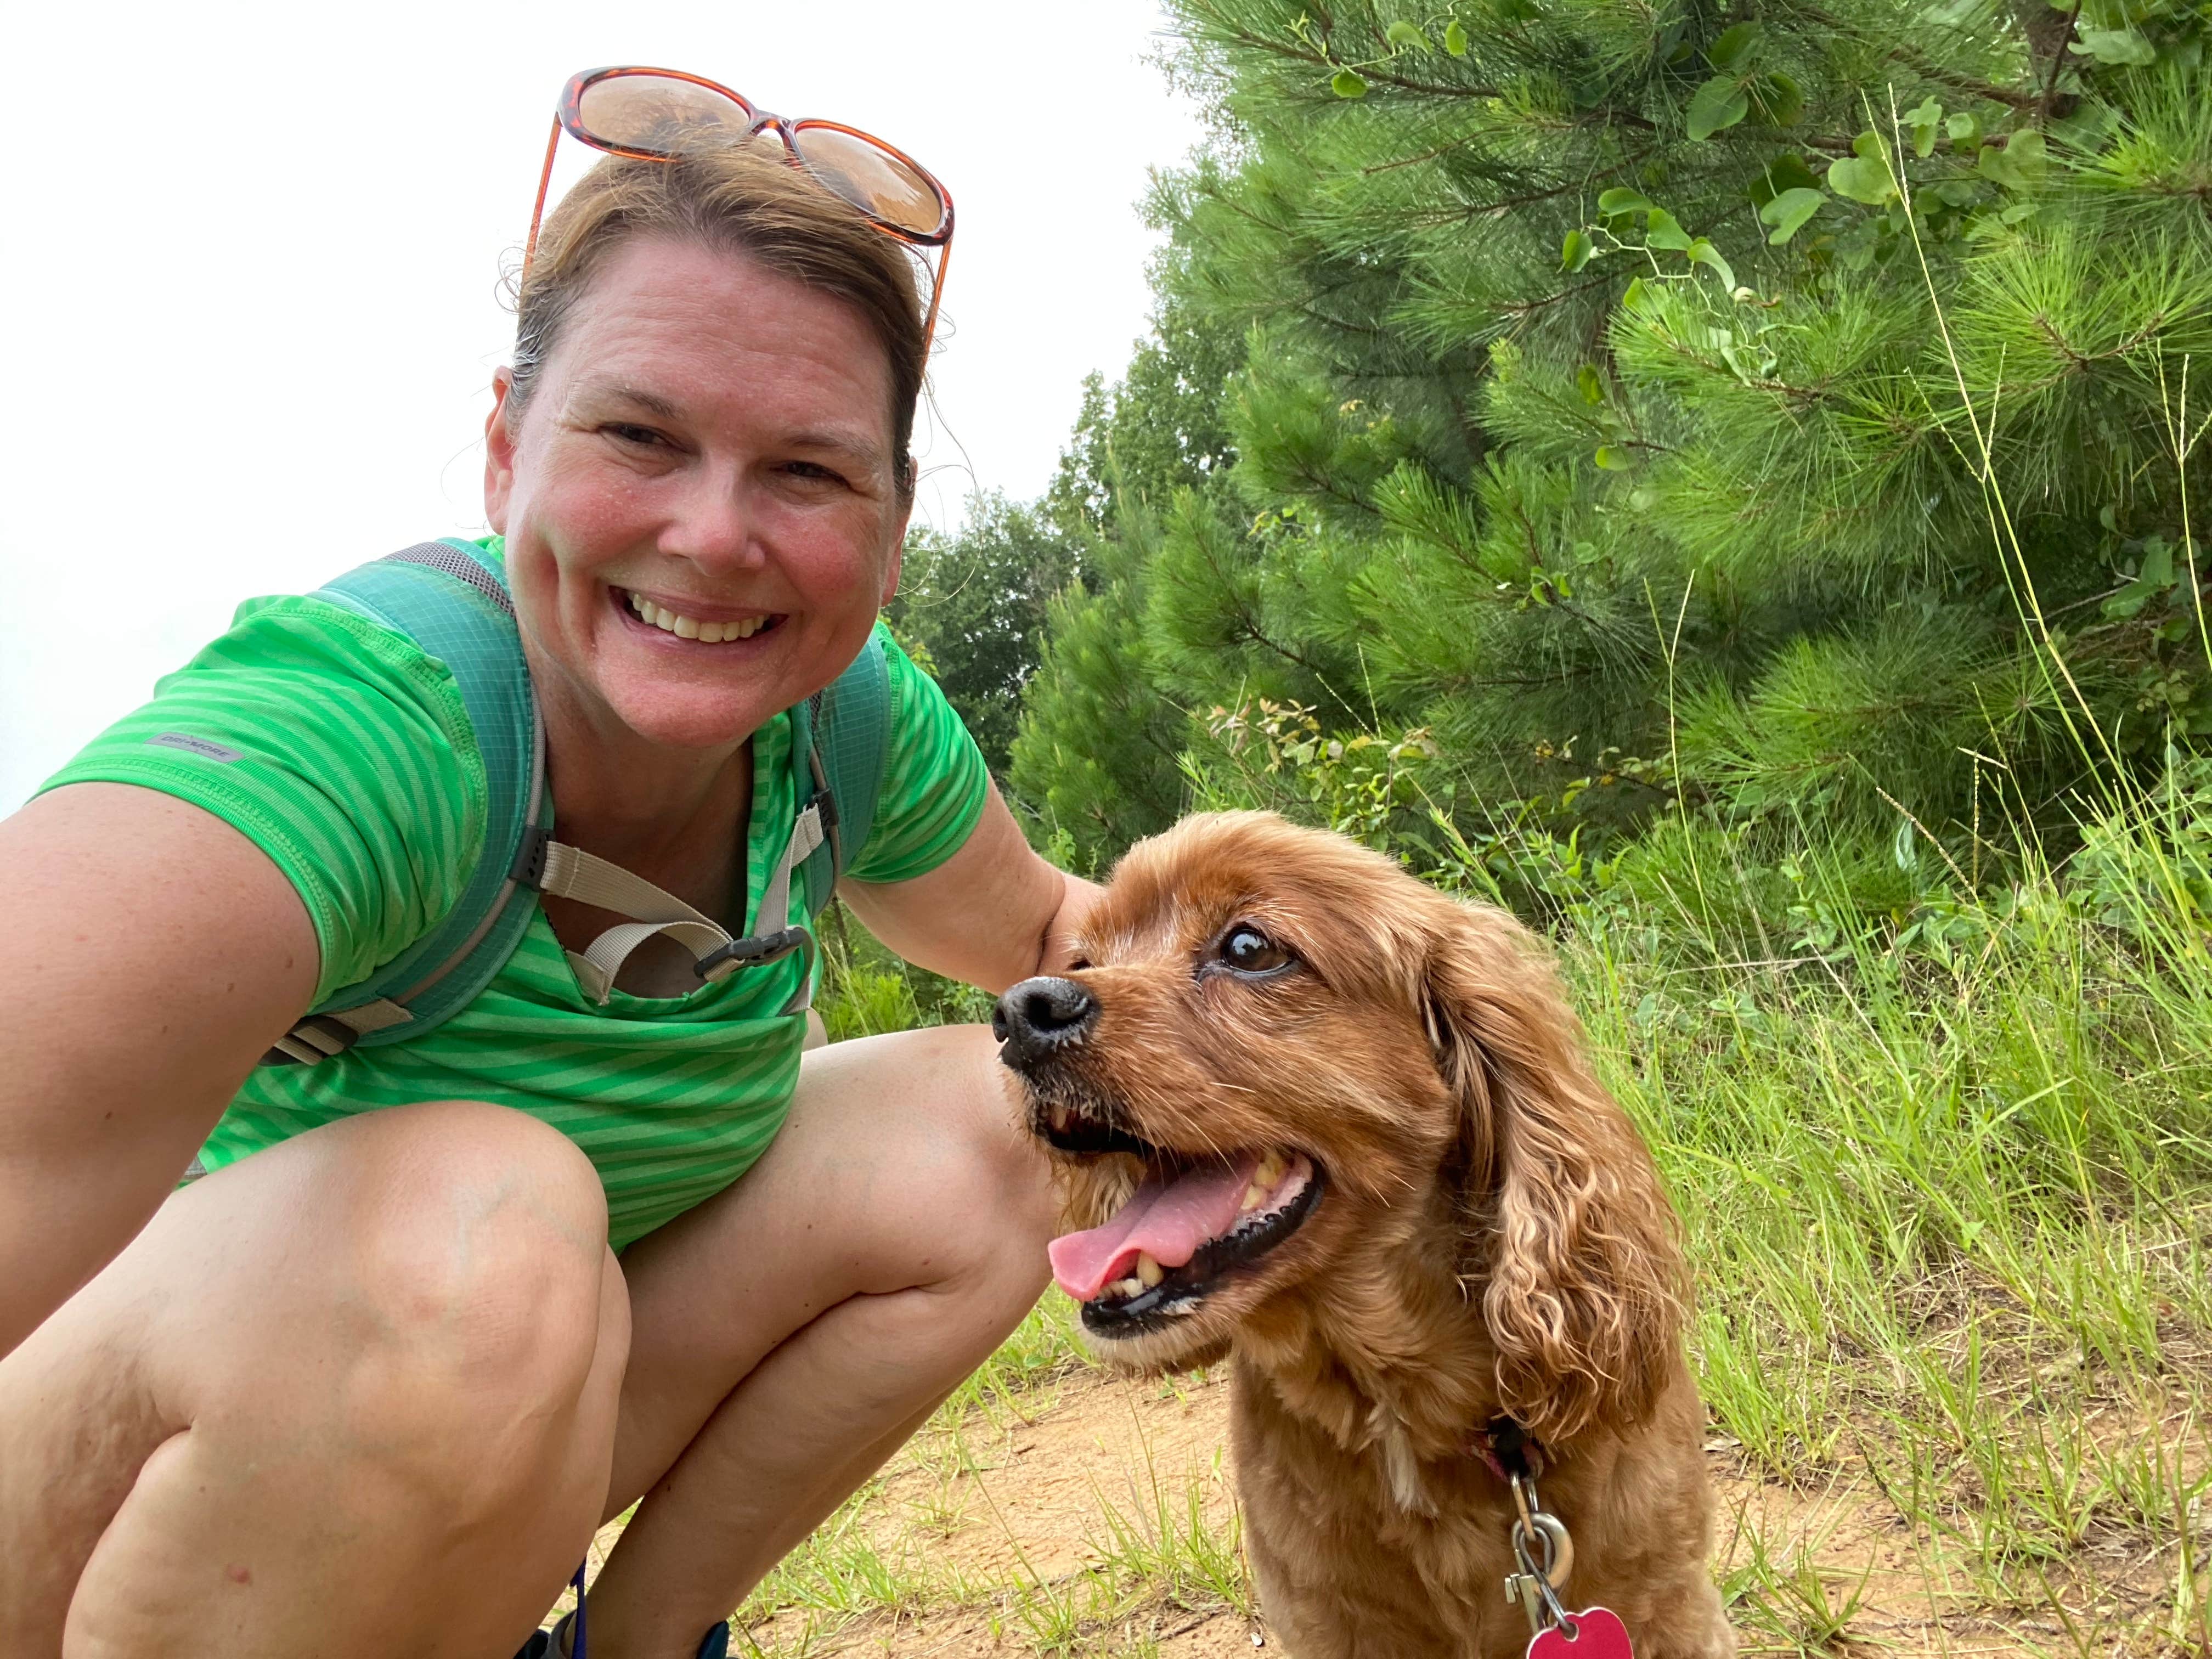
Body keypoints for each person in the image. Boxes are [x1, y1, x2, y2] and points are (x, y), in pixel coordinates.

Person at [0, 70, 1091, 1659]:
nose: (715, 538)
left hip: (486, 1419)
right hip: (106, 1493)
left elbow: (1068, 944)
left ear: (893, 524)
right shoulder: (368, 731)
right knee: (479, 1226)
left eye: (807, 471)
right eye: (640, 436)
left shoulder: (845, 725)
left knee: (1005, 1110)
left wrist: (1417, 1033)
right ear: (508, 449)